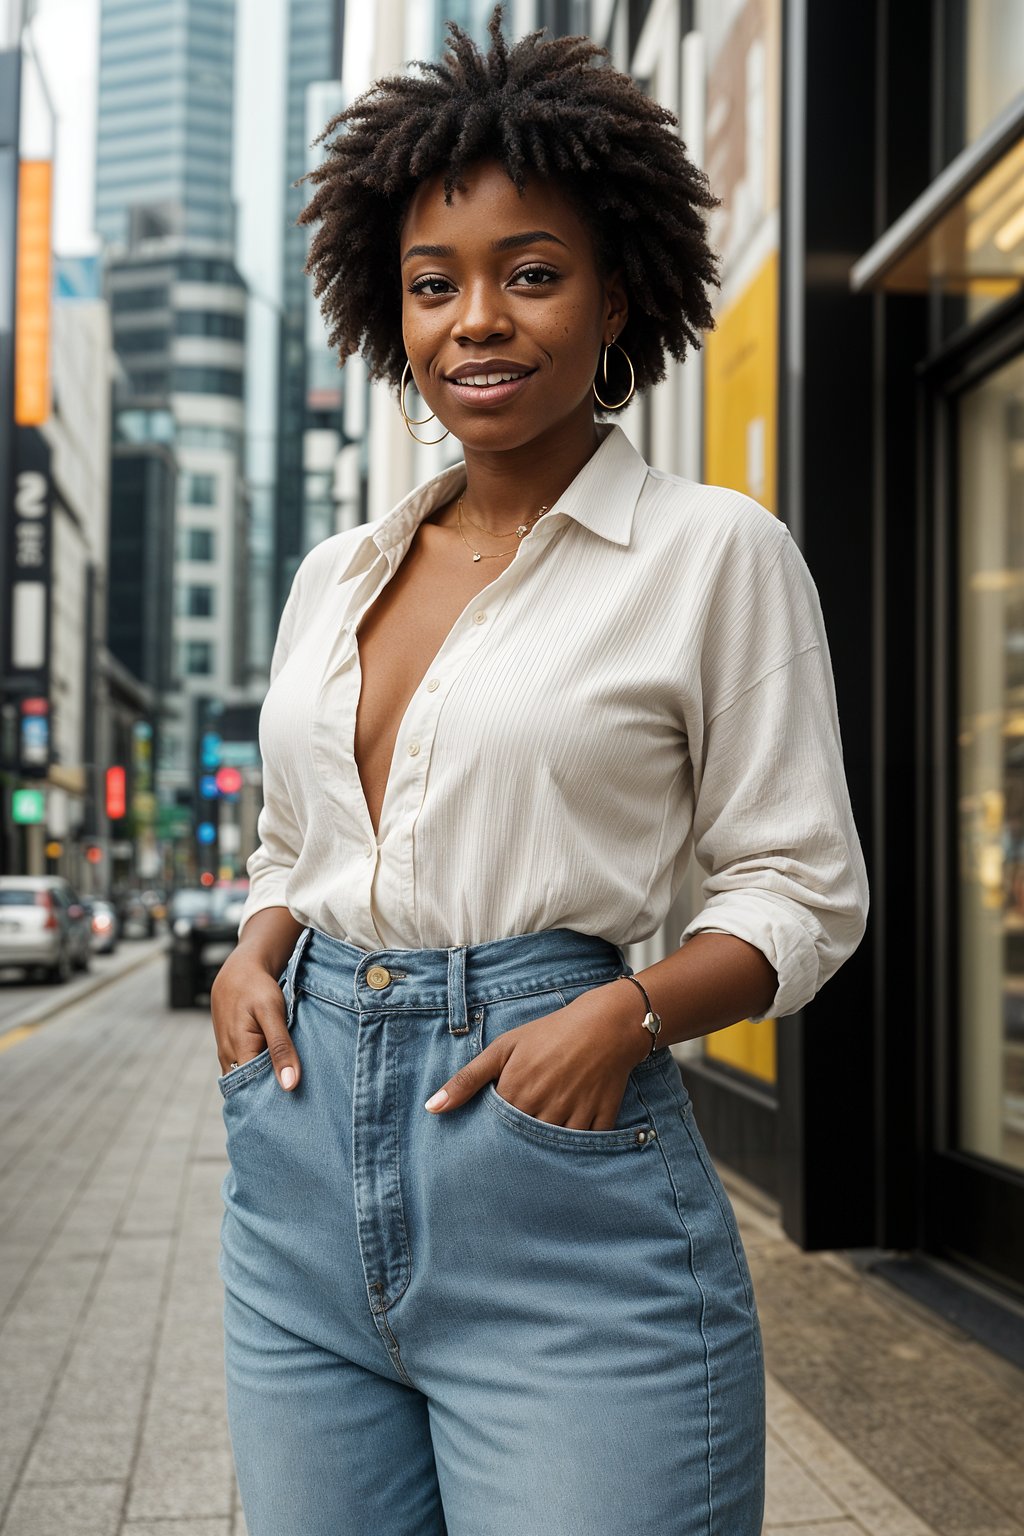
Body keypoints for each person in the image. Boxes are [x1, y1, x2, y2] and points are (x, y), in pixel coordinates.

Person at [211, 7, 870, 1534]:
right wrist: (255, 952)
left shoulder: (713, 555)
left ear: (615, 292)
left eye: (531, 274)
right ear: (393, 314)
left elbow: (803, 892)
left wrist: (621, 1016)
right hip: (296, 1191)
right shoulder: (338, 574)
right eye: (435, 287)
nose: (478, 322)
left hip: (554, 1174)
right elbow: (293, 846)